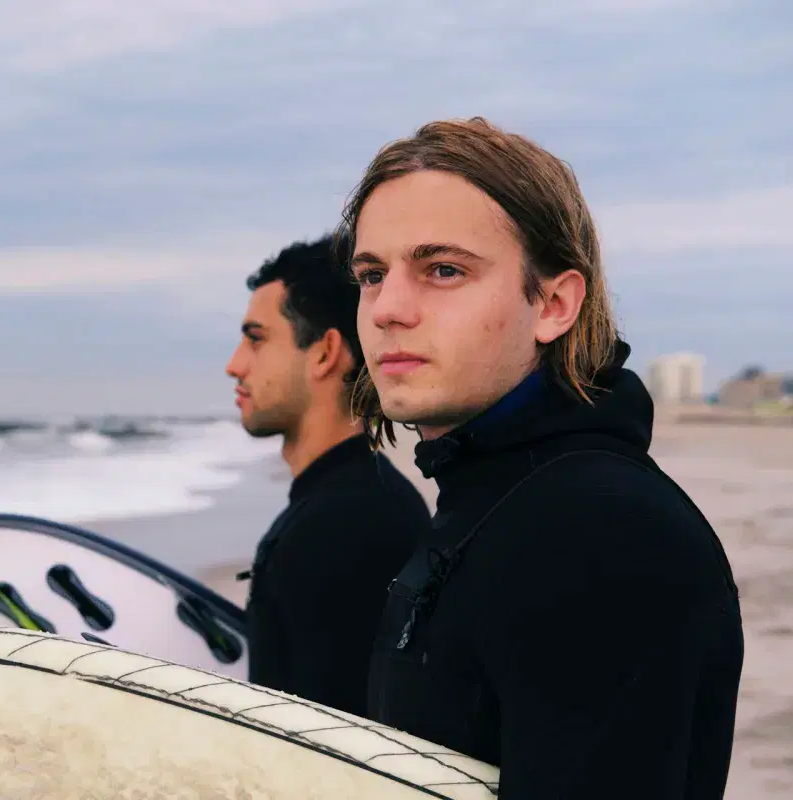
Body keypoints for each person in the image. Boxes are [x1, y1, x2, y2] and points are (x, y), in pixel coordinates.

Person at [338, 118, 743, 799]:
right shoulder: (491, 502)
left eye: (442, 270)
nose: (387, 309)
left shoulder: (598, 531)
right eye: (372, 274)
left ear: (553, 304)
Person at [225, 235, 432, 718]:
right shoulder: (366, 499)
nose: (235, 364)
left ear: (324, 353)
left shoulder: (338, 529)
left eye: (256, 338)